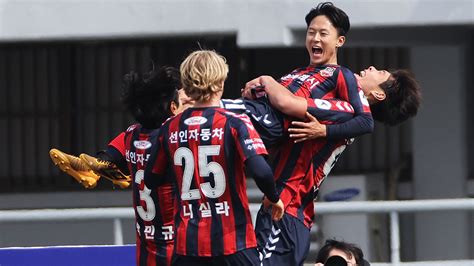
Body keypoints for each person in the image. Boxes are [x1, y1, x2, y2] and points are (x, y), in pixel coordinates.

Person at [144, 50, 284, 266]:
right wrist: (274, 198)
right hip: (233, 243)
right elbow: (261, 171)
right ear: (220, 83)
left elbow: (152, 179)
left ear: (186, 85)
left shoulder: (168, 128)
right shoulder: (235, 123)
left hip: (187, 246)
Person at [50, 65, 193, 266]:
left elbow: (110, 156)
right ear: (172, 107)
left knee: (105, 163)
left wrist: (100, 166)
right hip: (180, 247)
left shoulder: (132, 135)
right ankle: (107, 172)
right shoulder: (175, 135)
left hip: (147, 248)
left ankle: (98, 170)